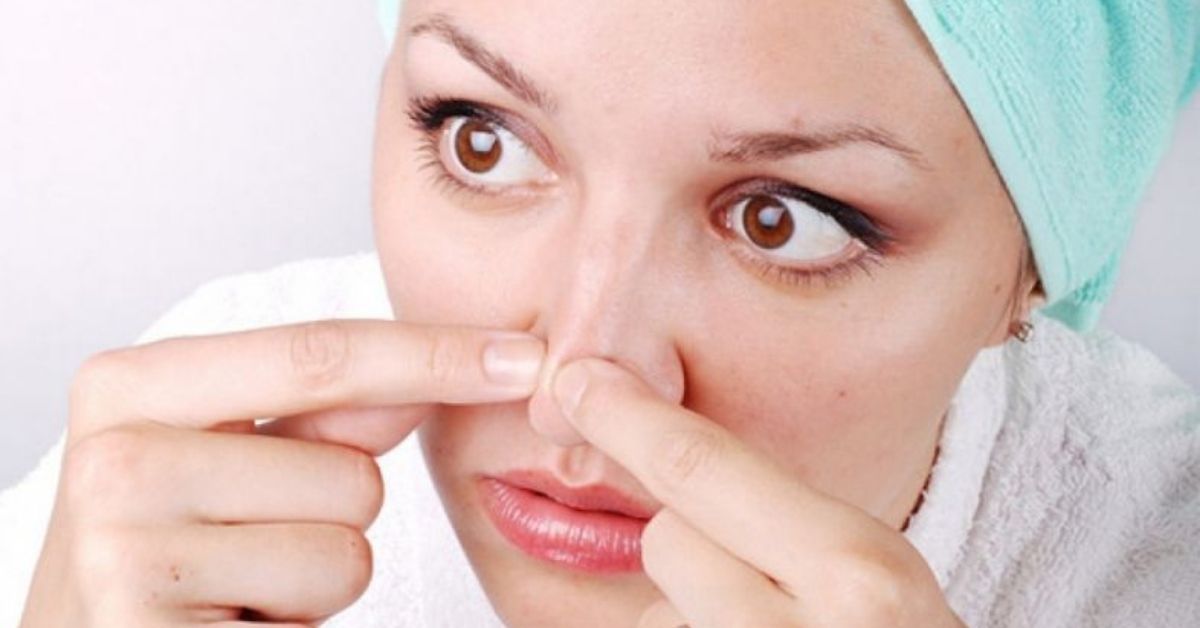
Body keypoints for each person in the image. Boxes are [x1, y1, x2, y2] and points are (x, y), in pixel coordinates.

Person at [6, 1, 1200, 626]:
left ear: (1031, 277)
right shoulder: (174, 475)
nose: (572, 388)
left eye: (783, 220)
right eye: (482, 141)